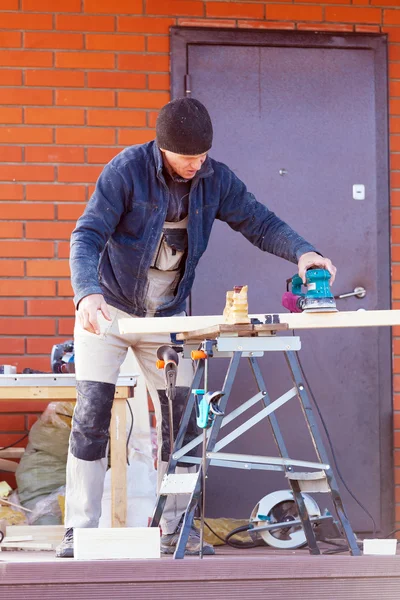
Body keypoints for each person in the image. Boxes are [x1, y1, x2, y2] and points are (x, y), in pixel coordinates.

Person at [56, 97, 336, 558]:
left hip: (167, 317)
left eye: (202, 157)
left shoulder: (215, 178)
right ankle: (79, 529)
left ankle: (175, 527)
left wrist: (303, 252)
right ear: (163, 149)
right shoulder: (125, 171)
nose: (196, 165)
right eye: (187, 159)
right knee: (90, 418)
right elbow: (87, 234)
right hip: (107, 310)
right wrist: (86, 293)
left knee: (181, 422)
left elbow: (260, 222)